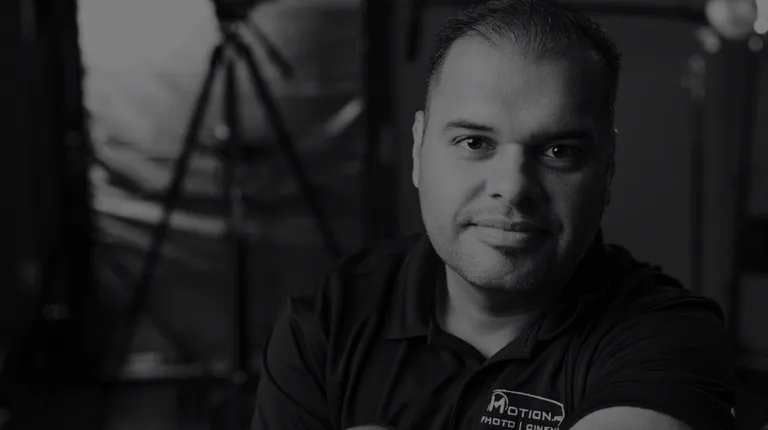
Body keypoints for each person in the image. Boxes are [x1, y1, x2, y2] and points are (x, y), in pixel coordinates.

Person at [251, 1, 736, 429]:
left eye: (559, 151)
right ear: (418, 151)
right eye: (474, 142)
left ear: (607, 167)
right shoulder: (330, 322)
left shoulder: (667, 334)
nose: (513, 187)